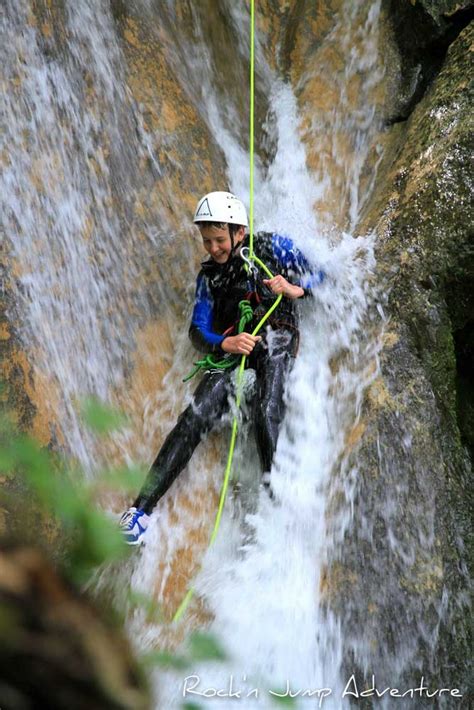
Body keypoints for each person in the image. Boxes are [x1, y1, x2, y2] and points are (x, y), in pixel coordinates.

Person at [119, 191, 324, 544]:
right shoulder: (209, 279)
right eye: (206, 240)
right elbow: (198, 330)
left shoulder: (274, 248)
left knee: (266, 407)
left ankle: (279, 510)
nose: (213, 248)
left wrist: (293, 288)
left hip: (278, 334)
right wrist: (224, 343)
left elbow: (321, 278)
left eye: (218, 239)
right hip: (234, 347)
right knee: (194, 416)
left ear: (239, 232)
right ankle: (140, 512)